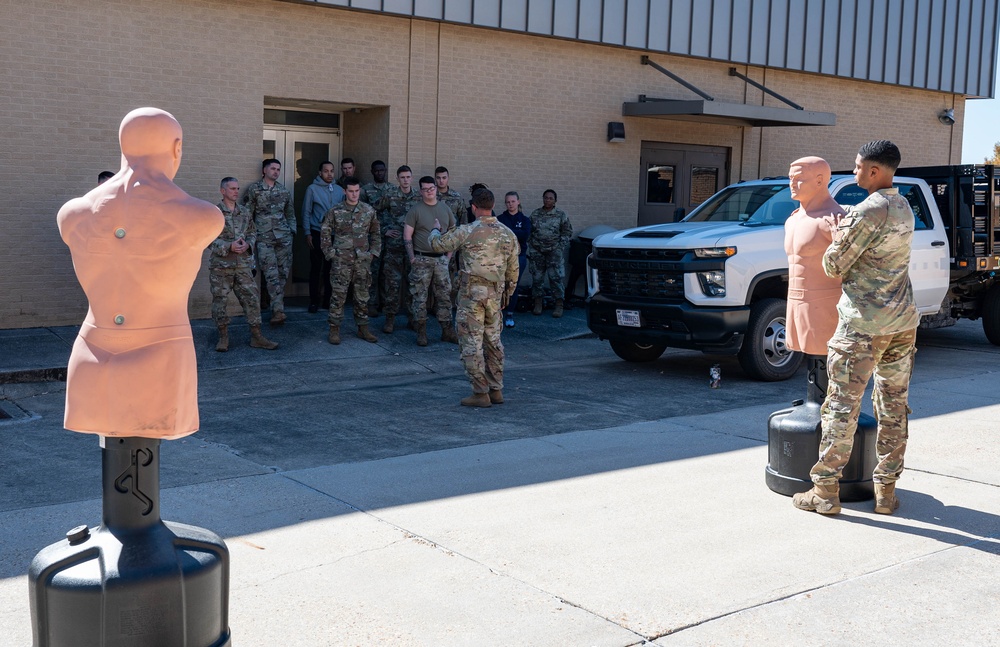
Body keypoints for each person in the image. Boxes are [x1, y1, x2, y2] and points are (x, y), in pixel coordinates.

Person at [57, 107, 223, 439]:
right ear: (177, 148)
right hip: (160, 356)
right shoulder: (203, 216)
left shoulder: (72, 214)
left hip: (91, 353)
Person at [793, 140, 919, 516]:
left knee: (840, 408)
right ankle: (885, 493)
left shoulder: (868, 211)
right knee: (893, 407)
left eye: (859, 166)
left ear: (875, 172)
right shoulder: (903, 206)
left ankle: (825, 492)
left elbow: (833, 265)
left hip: (863, 325)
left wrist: (838, 234)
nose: (854, 172)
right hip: (902, 322)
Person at [427, 188, 519, 407]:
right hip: (495, 295)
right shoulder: (508, 233)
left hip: (472, 296)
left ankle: (480, 393)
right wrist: (507, 294)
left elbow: (437, 245)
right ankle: (496, 389)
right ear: (492, 205)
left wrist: (434, 230)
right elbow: (513, 270)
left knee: (471, 343)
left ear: (474, 207)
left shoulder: (467, 230)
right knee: (493, 342)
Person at [209, 177, 278, 352]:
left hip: (243, 266)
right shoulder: (214, 213)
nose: (236, 191)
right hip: (221, 267)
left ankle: (257, 336)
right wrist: (227, 246)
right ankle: (223, 337)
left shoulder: (245, 212)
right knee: (220, 302)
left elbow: (252, 232)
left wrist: (248, 244)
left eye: (237, 188)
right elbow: (207, 238)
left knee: (252, 300)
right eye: (232, 188)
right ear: (222, 191)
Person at [784, 157, 844, 357]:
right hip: (795, 301)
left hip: (825, 304)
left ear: (819, 181)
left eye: (799, 178)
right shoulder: (792, 220)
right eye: (790, 178)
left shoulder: (834, 219)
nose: (792, 183)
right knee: (808, 359)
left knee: (823, 362)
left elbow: (851, 268)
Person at [321, 178, 382, 345]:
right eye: (351, 191)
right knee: (338, 295)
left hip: (362, 261)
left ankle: (363, 328)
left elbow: (376, 233)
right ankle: (334, 329)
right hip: (341, 260)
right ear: (344, 191)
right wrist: (330, 253)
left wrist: (373, 253)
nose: (354, 194)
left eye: (357, 191)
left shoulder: (368, 211)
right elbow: (325, 232)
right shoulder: (335, 211)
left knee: (362, 296)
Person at [404, 176, 457, 346]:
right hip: (421, 259)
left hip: (441, 260)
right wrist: (412, 257)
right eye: (425, 189)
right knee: (419, 297)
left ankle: (447, 331)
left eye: (432, 188)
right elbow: (407, 236)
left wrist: (448, 258)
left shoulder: (445, 209)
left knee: (444, 297)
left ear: (436, 188)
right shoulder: (415, 210)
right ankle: (421, 331)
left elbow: (452, 235)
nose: (429, 191)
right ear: (420, 191)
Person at [242, 158, 296, 325]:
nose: (276, 172)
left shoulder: (284, 191)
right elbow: (247, 214)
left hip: (284, 238)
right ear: (264, 170)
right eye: (273, 168)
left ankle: (273, 304)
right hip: (264, 238)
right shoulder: (254, 190)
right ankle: (278, 311)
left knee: (282, 274)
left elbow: (290, 214)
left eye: (278, 169)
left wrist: (292, 231)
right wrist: (247, 236)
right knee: (271, 274)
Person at [376, 165, 419, 333]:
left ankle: (412, 318)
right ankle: (390, 319)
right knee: (392, 284)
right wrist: (384, 229)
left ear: (411, 178)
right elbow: (373, 212)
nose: (405, 180)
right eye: (402, 177)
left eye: (408, 177)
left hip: (413, 248)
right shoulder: (390, 195)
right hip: (394, 247)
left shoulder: (418, 197)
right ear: (398, 179)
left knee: (412, 283)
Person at [301, 161, 345, 313]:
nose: (329, 174)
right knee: (316, 268)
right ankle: (314, 301)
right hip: (317, 233)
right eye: (326, 171)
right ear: (320, 173)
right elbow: (306, 211)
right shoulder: (312, 189)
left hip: (334, 235)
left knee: (331, 269)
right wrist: (307, 232)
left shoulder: (340, 190)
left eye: (332, 171)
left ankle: (328, 300)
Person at [528, 189, 573, 317]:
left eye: (550, 198)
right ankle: (538, 303)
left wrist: (559, 247)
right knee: (537, 279)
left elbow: (567, 232)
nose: (547, 200)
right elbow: (529, 231)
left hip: (554, 252)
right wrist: (532, 245)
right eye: (545, 198)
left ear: (555, 201)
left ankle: (559, 305)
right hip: (537, 252)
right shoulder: (535, 214)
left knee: (556, 279)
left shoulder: (561, 215)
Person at [361, 160, 395, 316]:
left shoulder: (393, 190)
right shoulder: (366, 190)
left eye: (382, 170)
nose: (380, 173)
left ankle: (386, 303)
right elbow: (363, 216)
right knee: (373, 272)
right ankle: (372, 303)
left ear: (386, 171)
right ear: (372, 171)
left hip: (391, 238)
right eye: (377, 171)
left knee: (388, 273)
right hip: (374, 238)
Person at [497, 191, 531, 328]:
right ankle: (497, 313)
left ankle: (510, 314)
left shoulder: (524, 220)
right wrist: (514, 233)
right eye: (507, 202)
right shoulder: (500, 219)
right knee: (499, 284)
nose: (510, 204)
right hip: (501, 257)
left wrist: (508, 232)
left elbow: (525, 235)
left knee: (513, 285)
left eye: (512, 201)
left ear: (518, 202)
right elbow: (498, 236)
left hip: (518, 257)